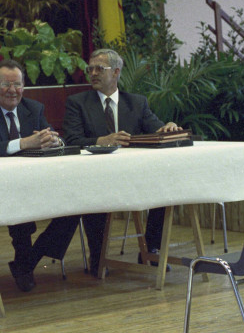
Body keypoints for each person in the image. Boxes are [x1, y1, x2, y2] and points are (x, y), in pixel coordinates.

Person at [0, 59, 102, 291]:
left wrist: (54, 140)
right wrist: (24, 142)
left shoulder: (34, 108)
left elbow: (51, 137)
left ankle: (28, 261)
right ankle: (25, 264)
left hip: (36, 181)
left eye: (17, 85)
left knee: (75, 204)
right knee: (21, 209)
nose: (12, 91)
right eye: (6, 85)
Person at [63, 48, 182, 267]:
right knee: (94, 196)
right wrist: (101, 140)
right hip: (96, 176)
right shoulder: (77, 102)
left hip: (133, 176)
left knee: (164, 189)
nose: (93, 74)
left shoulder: (136, 102)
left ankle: (151, 249)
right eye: (90, 69)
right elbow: (70, 140)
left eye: (100, 69)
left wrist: (168, 127)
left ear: (116, 72)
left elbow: (156, 128)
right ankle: (98, 258)